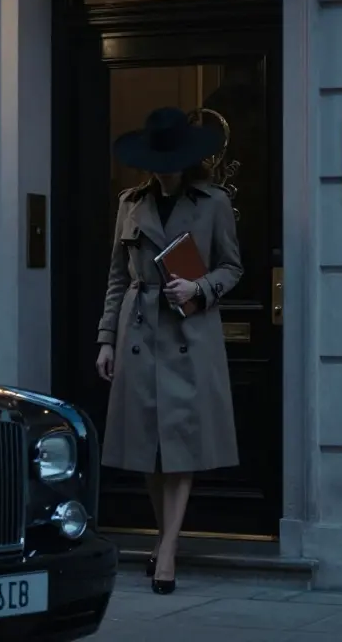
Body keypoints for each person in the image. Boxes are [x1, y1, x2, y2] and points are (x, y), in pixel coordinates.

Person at [94, 106, 243, 595]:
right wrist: (106, 340)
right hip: (138, 333)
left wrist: (199, 288)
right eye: (157, 161)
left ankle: (169, 550)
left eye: (172, 160)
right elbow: (118, 278)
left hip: (188, 334)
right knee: (146, 451)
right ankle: (163, 536)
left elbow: (232, 267)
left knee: (180, 448)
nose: (164, 169)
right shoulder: (130, 203)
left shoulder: (213, 202)